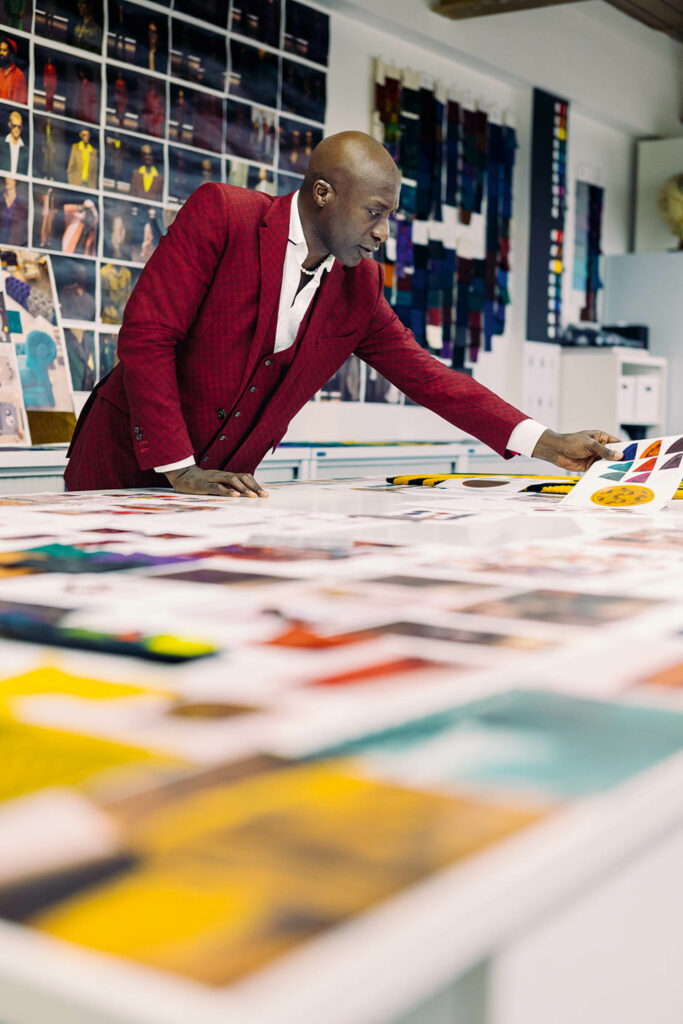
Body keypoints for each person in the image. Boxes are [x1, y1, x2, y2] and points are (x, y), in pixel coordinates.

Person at [64, 131, 622, 495]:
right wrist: (179, 467)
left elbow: (431, 379)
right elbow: (147, 338)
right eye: (376, 213)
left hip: (220, 490)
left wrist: (550, 444)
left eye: (391, 218)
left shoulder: (358, 287)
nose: (383, 233)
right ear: (325, 193)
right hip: (120, 462)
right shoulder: (223, 215)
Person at [0, 110, 27, 176]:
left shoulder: (26, 150)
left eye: (19, 127)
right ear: (9, 124)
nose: (16, 129)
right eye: (14, 126)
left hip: (19, 185)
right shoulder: (1, 143)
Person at [0, 37, 26, 104]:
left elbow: (21, 103)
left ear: (11, 55)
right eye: (0, 50)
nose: (1, 53)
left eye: (4, 50)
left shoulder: (19, 75)